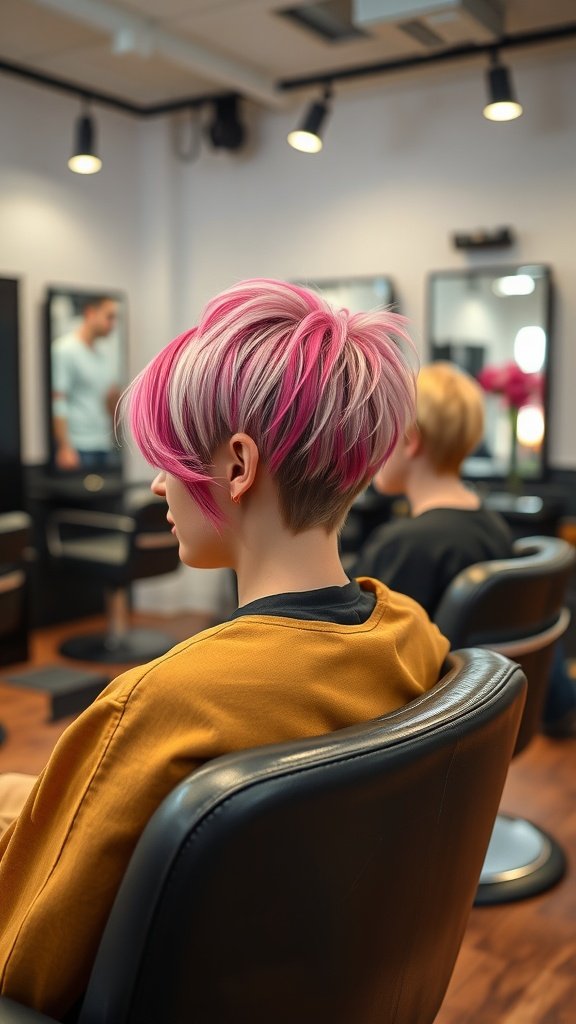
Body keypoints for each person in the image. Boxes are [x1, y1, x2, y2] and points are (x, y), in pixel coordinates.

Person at [0, 279, 449, 1018]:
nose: (156, 484)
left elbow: (23, 963)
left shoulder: (166, 705)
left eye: (172, 457)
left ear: (238, 467)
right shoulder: (411, 636)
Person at [353, 360, 576, 735]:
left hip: (416, 738)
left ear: (411, 442)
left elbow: (359, 663)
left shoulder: (405, 545)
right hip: (481, 727)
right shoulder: (494, 526)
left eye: (381, 431)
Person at [51, 294, 121, 470]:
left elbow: (107, 398)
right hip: (78, 446)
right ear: (90, 313)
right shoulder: (64, 350)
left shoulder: (102, 354)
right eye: (109, 317)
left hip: (102, 443)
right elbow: (58, 400)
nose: (112, 324)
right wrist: (65, 447)